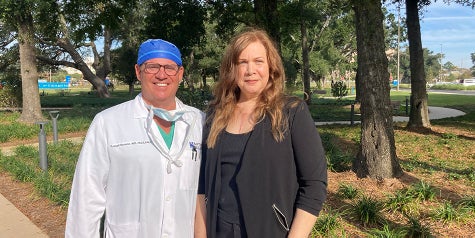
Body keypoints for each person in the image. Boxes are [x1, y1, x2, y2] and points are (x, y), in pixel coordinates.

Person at [65, 39, 205, 237]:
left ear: (180, 73)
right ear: (138, 72)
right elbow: (86, 197)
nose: (161, 74)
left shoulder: (199, 121)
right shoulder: (108, 122)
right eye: (152, 67)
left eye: (169, 67)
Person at [196, 28, 328, 238]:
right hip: (218, 230)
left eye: (258, 61)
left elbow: (314, 185)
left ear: (271, 67)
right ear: (232, 69)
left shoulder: (291, 112)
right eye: (242, 62)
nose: (251, 70)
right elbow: (201, 185)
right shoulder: (215, 114)